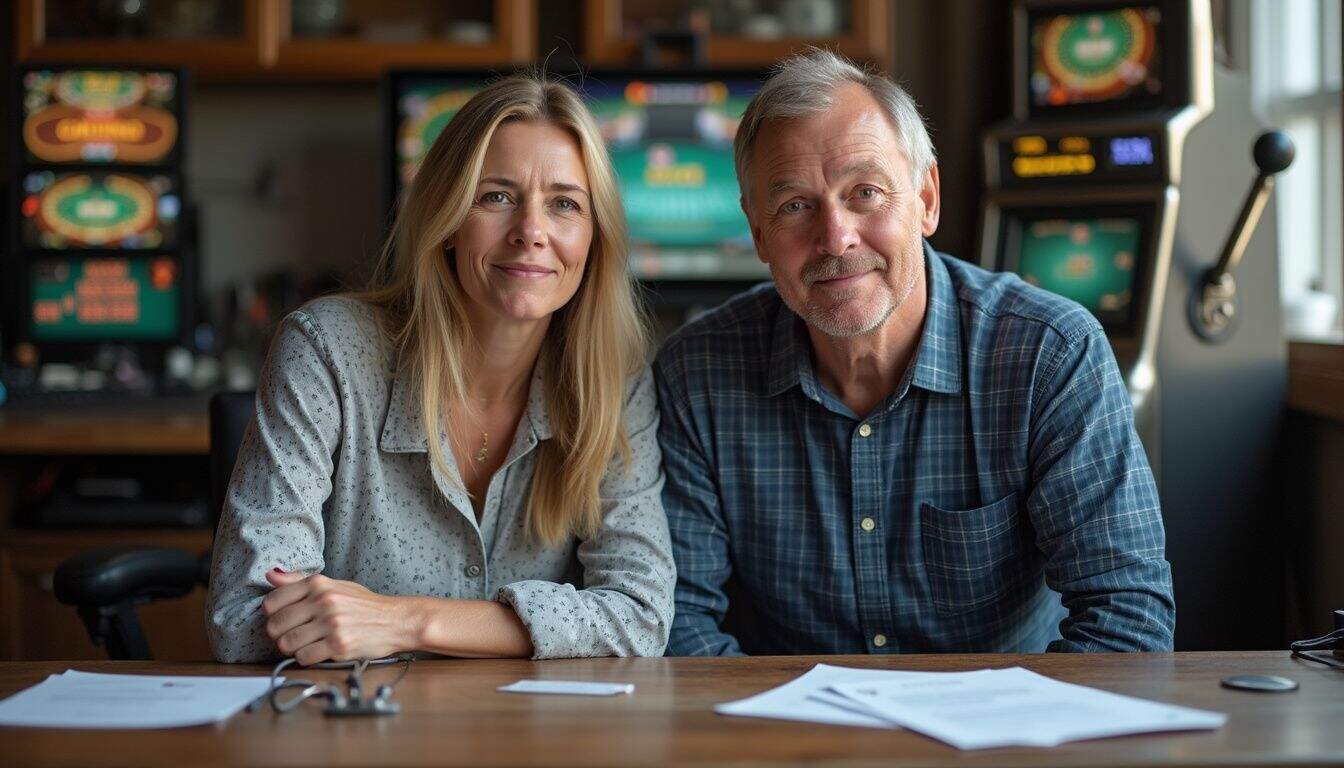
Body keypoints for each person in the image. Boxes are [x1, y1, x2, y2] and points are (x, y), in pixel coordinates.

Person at [656, 50, 1174, 656]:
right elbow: (678, 619)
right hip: (794, 742)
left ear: (926, 199)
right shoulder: (696, 372)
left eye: (866, 193)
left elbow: (1127, 616)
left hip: (1000, 736)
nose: (836, 237)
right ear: (758, 231)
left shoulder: (1048, 356)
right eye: (795, 205)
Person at [207, 72, 675, 664]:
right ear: (448, 220)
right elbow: (246, 618)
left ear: (594, 238)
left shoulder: (615, 380)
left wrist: (407, 621)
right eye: (496, 196)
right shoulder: (327, 350)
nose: (532, 232)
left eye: (565, 204)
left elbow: (640, 616)